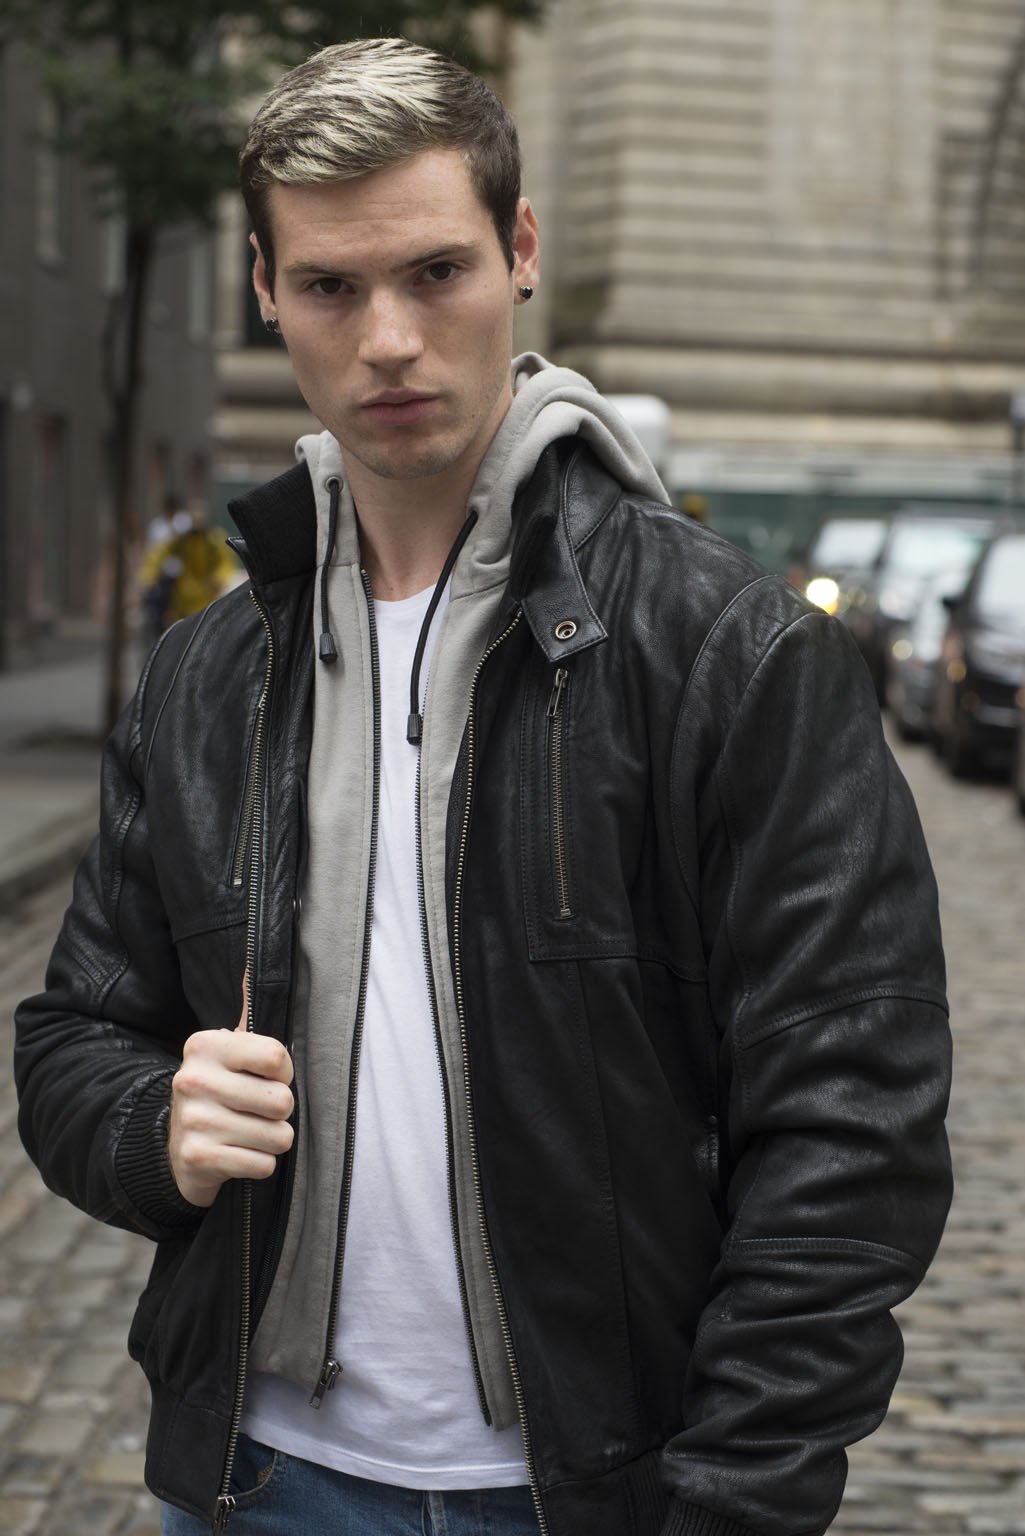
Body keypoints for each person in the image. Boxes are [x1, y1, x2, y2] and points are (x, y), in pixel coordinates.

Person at [14, 37, 953, 1536]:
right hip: (256, 1483)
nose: (388, 339)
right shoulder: (207, 673)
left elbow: (854, 1127)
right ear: (264, 290)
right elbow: (74, 1033)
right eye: (330, 286)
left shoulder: (727, 648)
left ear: (519, 251)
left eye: (435, 272)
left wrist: (731, 1504)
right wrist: (151, 1126)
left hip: (590, 1495)